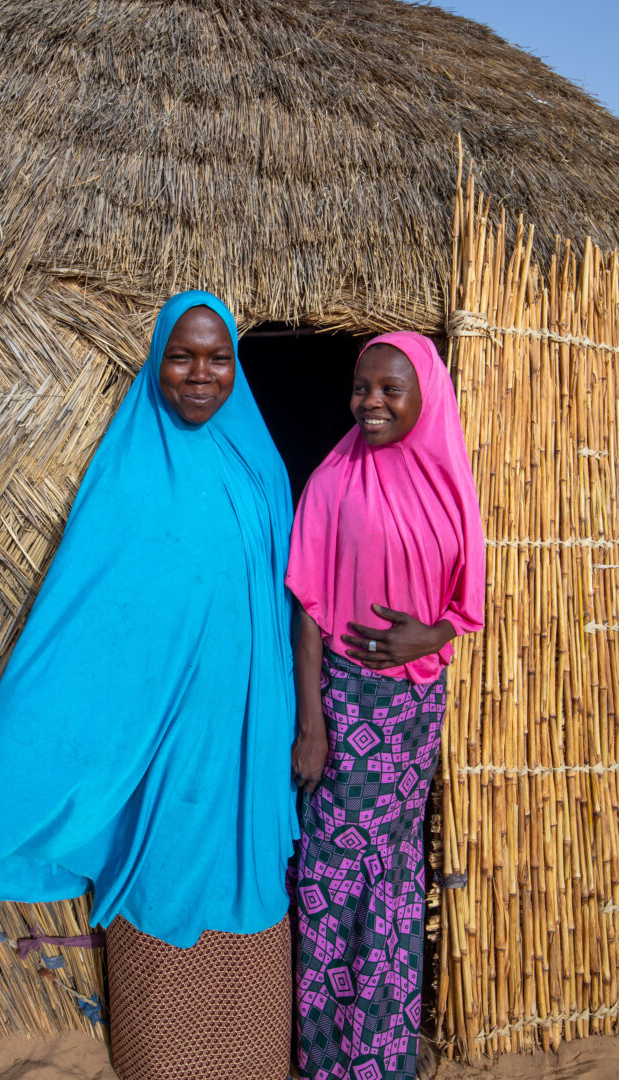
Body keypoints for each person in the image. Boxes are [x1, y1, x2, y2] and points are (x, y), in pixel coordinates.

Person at [0, 291, 298, 1080]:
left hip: (248, 730)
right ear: (156, 361)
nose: (200, 374)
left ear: (237, 366)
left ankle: (253, 1055)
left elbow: (288, 596)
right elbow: (87, 616)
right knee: (167, 869)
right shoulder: (128, 472)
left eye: (217, 357)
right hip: (163, 738)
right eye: (181, 357)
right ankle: (167, 1058)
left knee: (249, 871)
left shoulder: (260, 465)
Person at [286, 332, 485, 1080]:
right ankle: (327, 1056)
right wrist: (312, 723)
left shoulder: (447, 481)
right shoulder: (334, 479)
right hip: (345, 704)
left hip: (414, 710)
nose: (369, 402)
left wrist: (425, 635)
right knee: (332, 872)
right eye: (361, 387)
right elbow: (306, 604)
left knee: (396, 879)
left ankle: (384, 1055)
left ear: (423, 397)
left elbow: (465, 606)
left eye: (388, 390)